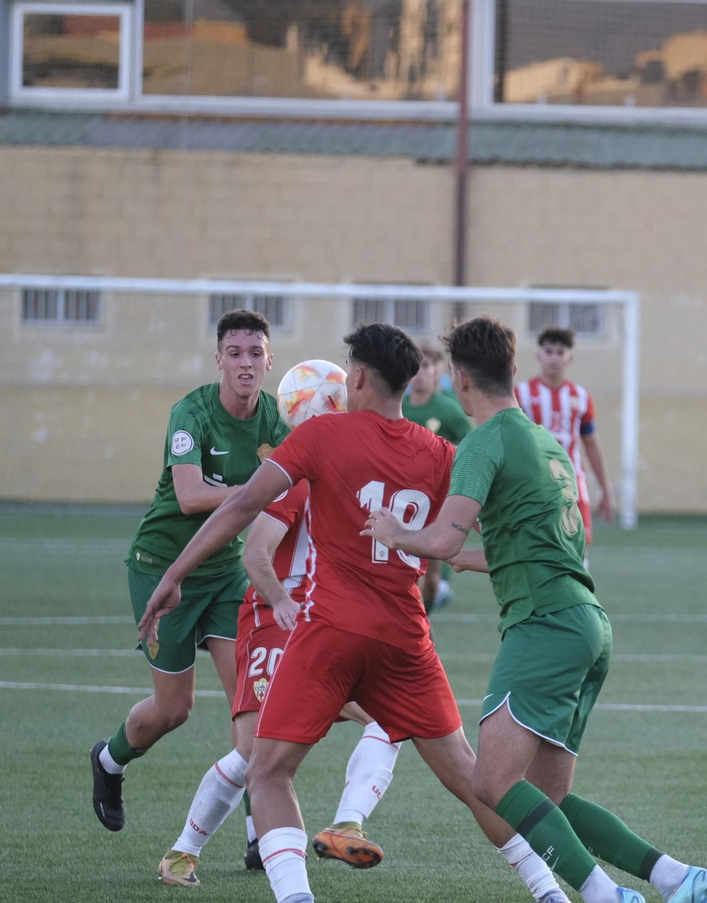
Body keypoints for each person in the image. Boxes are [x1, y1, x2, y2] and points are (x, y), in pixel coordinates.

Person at [138, 323, 570, 903]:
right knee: (475, 782)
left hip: (333, 631)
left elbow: (243, 504)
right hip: (406, 639)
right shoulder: (442, 452)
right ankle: (552, 893)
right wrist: (465, 560)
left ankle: (296, 896)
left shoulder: (322, 437)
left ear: (357, 377)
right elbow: (507, 542)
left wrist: (173, 575)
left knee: (266, 769)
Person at [364, 315, 707, 903]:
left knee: (492, 782)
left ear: (459, 380)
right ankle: (676, 878)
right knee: (544, 800)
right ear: (514, 371)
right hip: (588, 623)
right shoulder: (547, 442)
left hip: (544, 624)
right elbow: (519, 545)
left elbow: (444, 542)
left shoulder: (484, 439)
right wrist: (463, 551)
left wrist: (395, 533)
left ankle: (605, 896)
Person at [90, 310, 289, 833]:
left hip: (227, 572)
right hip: (161, 566)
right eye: (235, 353)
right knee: (173, 710)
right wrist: (258, 493)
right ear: (218, 358)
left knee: (251, 702)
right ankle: (109, 760)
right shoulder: (192, 413)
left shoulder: (276, 419)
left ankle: (257, 833)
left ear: (270, 360)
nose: (245, 363)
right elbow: (190, 494)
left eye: (255, 353)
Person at [156, 474, 408, 885]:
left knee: (392, 719)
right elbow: (255, 550)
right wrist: (280, 599)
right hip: (277, 618)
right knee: (252, 750)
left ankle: (347, 824)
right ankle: (183, 851)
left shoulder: (367, 482)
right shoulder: (300, 478)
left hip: (335, 623)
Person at [516, 328, 615, 547]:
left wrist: (606, 491)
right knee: (535, 548)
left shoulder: (580, 397)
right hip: (532, 485)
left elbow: (591, 444)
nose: (554, 357)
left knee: (579, 546)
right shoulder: (520, 394)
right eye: (549, 351)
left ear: (570, 357)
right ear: (539, 355)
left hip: (573, 484)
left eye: (560, 352)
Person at [404, 341, 471, 610]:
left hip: (438, 501)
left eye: (425, 366)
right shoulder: (399, 407)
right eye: (415, 368)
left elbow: (471, 446)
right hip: (403, 498)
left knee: (430, 579)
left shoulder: (448, 410)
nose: (419, 373)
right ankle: (414, 623)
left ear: (437, 371)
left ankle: (424, 617)